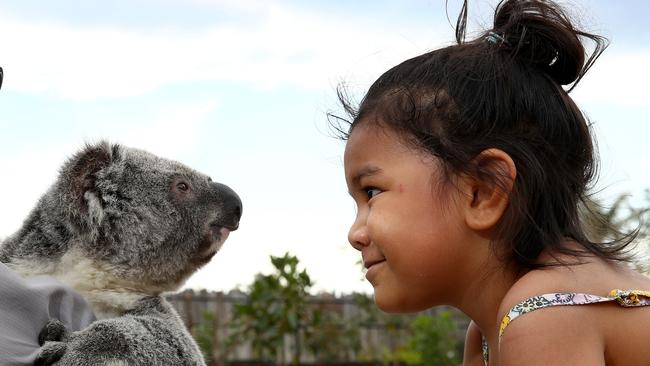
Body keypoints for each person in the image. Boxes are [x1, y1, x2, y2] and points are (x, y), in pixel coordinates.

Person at [335, 0, 650, 364]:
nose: (355, 233)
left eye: (372, 192)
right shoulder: (491, 329)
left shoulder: (545, 316)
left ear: (484, 190)